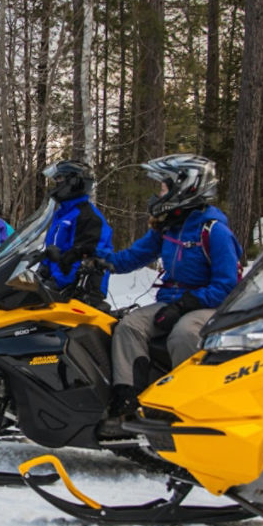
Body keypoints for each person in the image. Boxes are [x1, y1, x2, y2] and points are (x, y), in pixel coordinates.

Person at [99, 154, 243, 436]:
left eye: (163, 188)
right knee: (128, 326)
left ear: (186, 186)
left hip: (208, 305)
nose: (158, 194)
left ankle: (186, 407)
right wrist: (100, 262)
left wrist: (186, 304)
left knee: (184, 334)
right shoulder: (170, 225)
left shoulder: (213, 230)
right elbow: (136, 255)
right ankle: (128, 403)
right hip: (172, 301)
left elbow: (228, 285)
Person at [40, 160, 113, 299]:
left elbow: (80, 256)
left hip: (78, 291)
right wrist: (43, 269)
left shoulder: (88, 217)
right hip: (56, 284)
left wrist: (59, 281)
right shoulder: (62, 214)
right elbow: (53, 248)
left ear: (74, 182)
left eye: (59, 178)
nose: (57, 183)